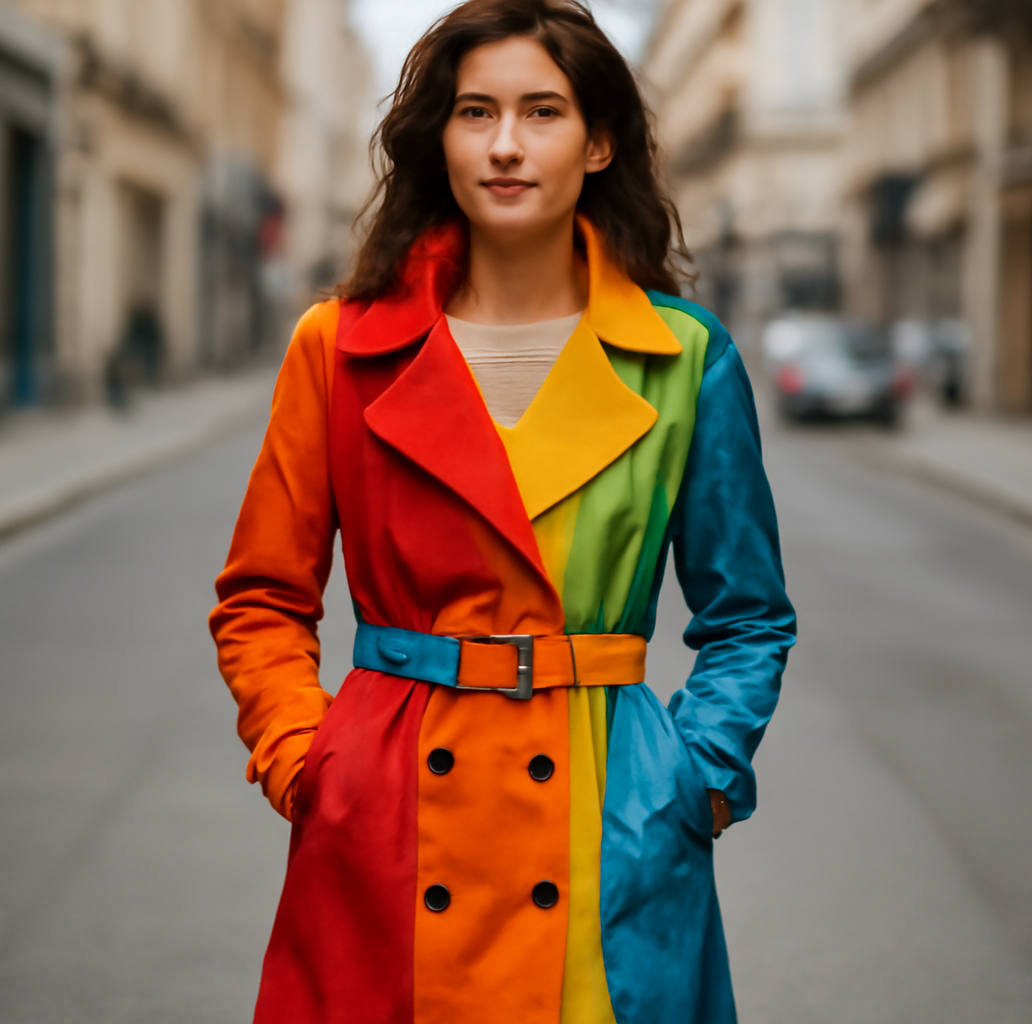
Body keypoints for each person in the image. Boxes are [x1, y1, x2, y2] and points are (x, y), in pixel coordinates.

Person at [209, 2, 796, 1021]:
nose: (507, 145)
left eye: (542, 111)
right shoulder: (338, 347)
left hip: (608, 813)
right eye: (476, 112)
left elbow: (748, 614)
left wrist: (692, 779)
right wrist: (310, 763)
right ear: (439, 138)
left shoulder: (684, 360)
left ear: (599, 140)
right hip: (391, 812)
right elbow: (263, 594)